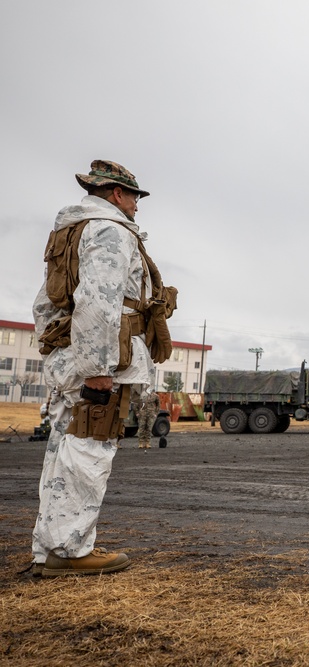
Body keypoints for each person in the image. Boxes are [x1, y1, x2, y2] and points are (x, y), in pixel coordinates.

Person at [31, 159, 175, 577]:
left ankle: (51, 544)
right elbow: (99, 300)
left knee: (64, 448)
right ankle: (71, 549)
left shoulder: (70, 231)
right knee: (91, 446)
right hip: (98, 360)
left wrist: (57, 354)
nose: (137, 205)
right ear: (116, 194)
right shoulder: (110, 231)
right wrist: (97, 367)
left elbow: (45, 304)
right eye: (134, 196)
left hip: (71, 354)